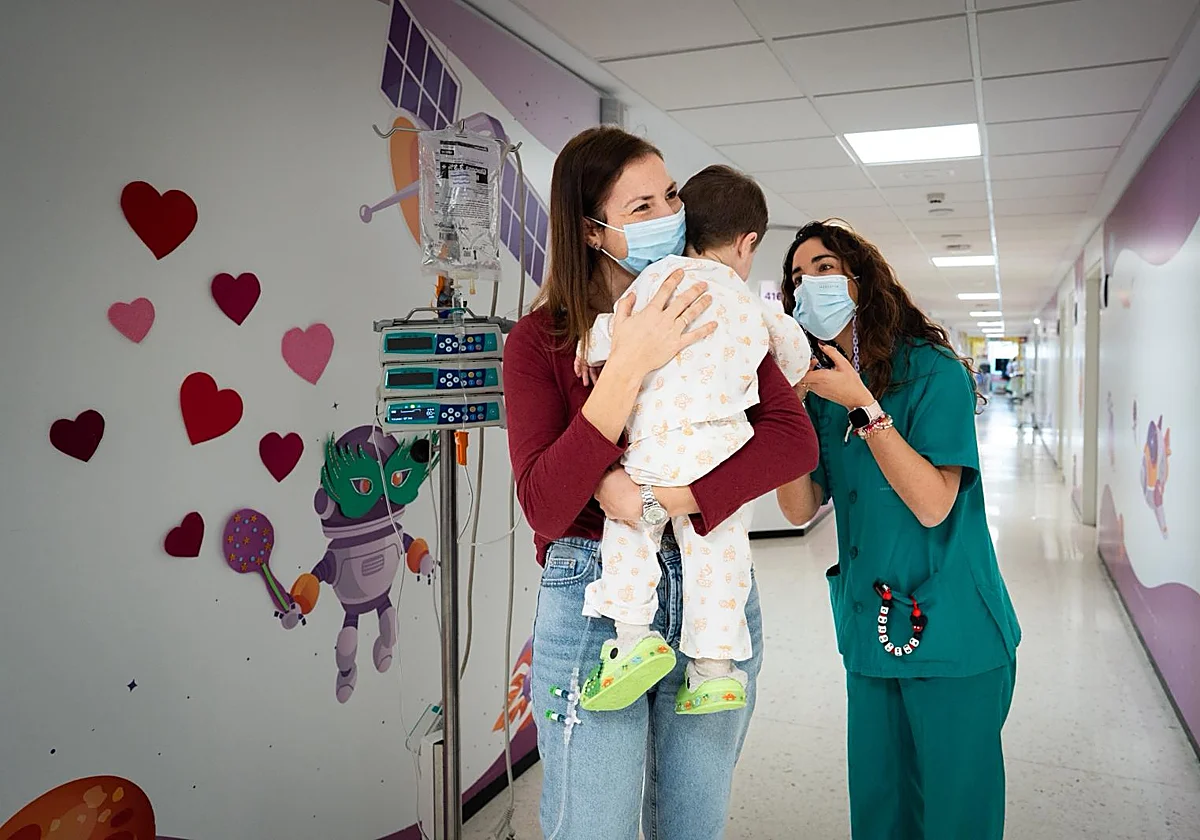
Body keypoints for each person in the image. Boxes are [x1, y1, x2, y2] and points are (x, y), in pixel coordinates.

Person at [504, 128, 818, 840]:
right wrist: (629, 363)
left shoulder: (707, 303)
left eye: (670, 194)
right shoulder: (541, 342)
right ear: (592, 230)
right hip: (596, 605)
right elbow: (547, 504)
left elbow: (790, 439)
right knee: (595, 829)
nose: (670, 215)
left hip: (711, 589)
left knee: (692, 827)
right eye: (640, 205)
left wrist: (665, 499)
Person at [774, 220, 1021, 840]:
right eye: (797, 277)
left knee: (957, 817)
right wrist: (776, 415)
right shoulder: (818, 388)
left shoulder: (933, 372)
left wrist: (866, 405)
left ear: (864, 282)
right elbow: (799, 508)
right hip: (871, 630)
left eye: (824, 267)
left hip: (955, 633)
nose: (809, 285)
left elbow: (935, 504)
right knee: (881, 814)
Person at [575, 164, 811, 717]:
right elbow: (794, 354)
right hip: (721, 453)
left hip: (656, 445)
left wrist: (589, 348)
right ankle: (714, 670)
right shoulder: (755, 305)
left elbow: (619, 330)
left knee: (630, 532)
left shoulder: (659, 281)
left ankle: (633, 642)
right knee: (721, 552)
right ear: (747, 242)